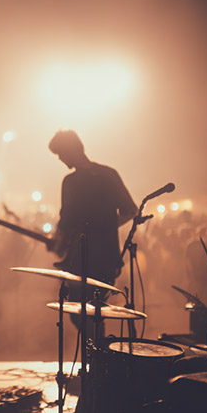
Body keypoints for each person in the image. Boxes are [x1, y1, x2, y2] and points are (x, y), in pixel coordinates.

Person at [48, 130, 137, 335]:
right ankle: (98, 351)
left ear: (71, 150)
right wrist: (104, 228)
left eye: (60, 153)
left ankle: (96, 351)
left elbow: (66, 222)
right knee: (93, 314)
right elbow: (130, 211)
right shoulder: (108, 174)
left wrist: (60, 241)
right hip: (105, 259)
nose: (60, 159)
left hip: (84, 260)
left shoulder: (72, 182)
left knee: (80, 313)